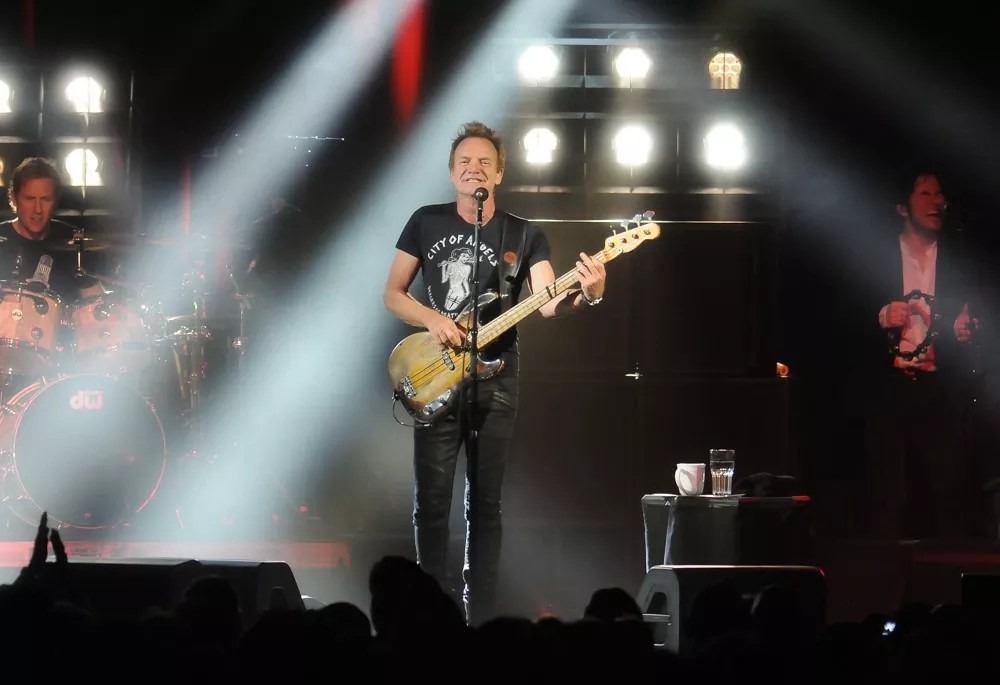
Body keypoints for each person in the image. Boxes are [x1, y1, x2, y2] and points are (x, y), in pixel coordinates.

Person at [382, 121, 607, 624]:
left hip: (497, 379)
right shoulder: (425, 221)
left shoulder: (524, 234)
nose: (474, 169)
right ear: (451, 172)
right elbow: (393, 294)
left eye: (484, 162)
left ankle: (479, 618)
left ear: (499, 174)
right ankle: (427, 616)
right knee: (431, 503)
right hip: (438, 374)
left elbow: (546, 303)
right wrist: (433, 319)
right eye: (465, 161)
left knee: (484, 506)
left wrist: (587, 295)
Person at [863, 163, 983, 541]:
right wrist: (880, 315)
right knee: (887, 494)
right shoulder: (876, 252)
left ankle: (948, 571)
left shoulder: (958, 257)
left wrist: (967, 329)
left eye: (939, 194)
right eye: (925, 194)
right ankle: (883, 571)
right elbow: (840, 311)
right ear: (902, 207)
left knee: (949, 491)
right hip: (887, 385)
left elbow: (975, 312)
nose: (936, 202)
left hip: (939, 386)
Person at [0, 157, 101, 378]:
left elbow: (95, 303)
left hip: (60, 365)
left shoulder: (72, 240)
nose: (37, 209)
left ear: (55, 201)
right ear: (14, 198)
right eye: (29, 198)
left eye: (45, 199)